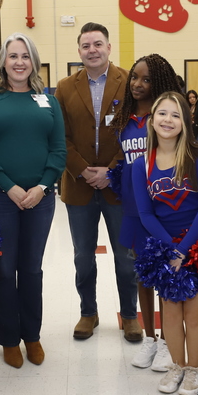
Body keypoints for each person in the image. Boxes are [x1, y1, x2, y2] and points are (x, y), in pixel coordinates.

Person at [0, 33, 65, 368]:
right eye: (13, 56)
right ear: (3, 62)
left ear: (34, 61)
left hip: (40, 198)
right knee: (4, 269)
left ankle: (32, 335)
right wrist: (9, 186)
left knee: (31, 269)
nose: (20, 62)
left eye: (26, 56)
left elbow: (58, 150)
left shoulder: (48, 101)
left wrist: (42, 186)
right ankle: (9, 339)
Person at [131, 92, 198, 395]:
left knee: (194, 315)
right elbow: (145, 213)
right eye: (162, 114)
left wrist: (184, 248)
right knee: (170, 314)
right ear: (152, 119)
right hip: (164, 248)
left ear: (185, 121)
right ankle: (177, 366)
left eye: (175, 115)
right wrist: (170, 248)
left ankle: (194, 368)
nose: (167, 120)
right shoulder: (141, 164)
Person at [55, 22, 140, 343]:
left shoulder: (129, 82)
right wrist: (83, 169)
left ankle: (130, 315)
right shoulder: (64, 88)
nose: (92, 50)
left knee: (124, 255)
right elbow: (59, 137)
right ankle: (88, 312)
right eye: (86, 45)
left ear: (108, 47)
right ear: (79, 51)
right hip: (78, 185)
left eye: (98, 44)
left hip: (119, 186)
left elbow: (136, 131)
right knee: (82, 256)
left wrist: (112, 170)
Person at [109, 53, 182, 371]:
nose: (137, 84)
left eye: (146, 79)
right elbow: (124, 161)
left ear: (160, 82)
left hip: (164, 206)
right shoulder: (124, 117)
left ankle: (168, 341)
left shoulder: (166, 115)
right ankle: (151, 339)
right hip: (133, 207)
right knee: (143, 273)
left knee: (166, 274)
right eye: (134, 77)